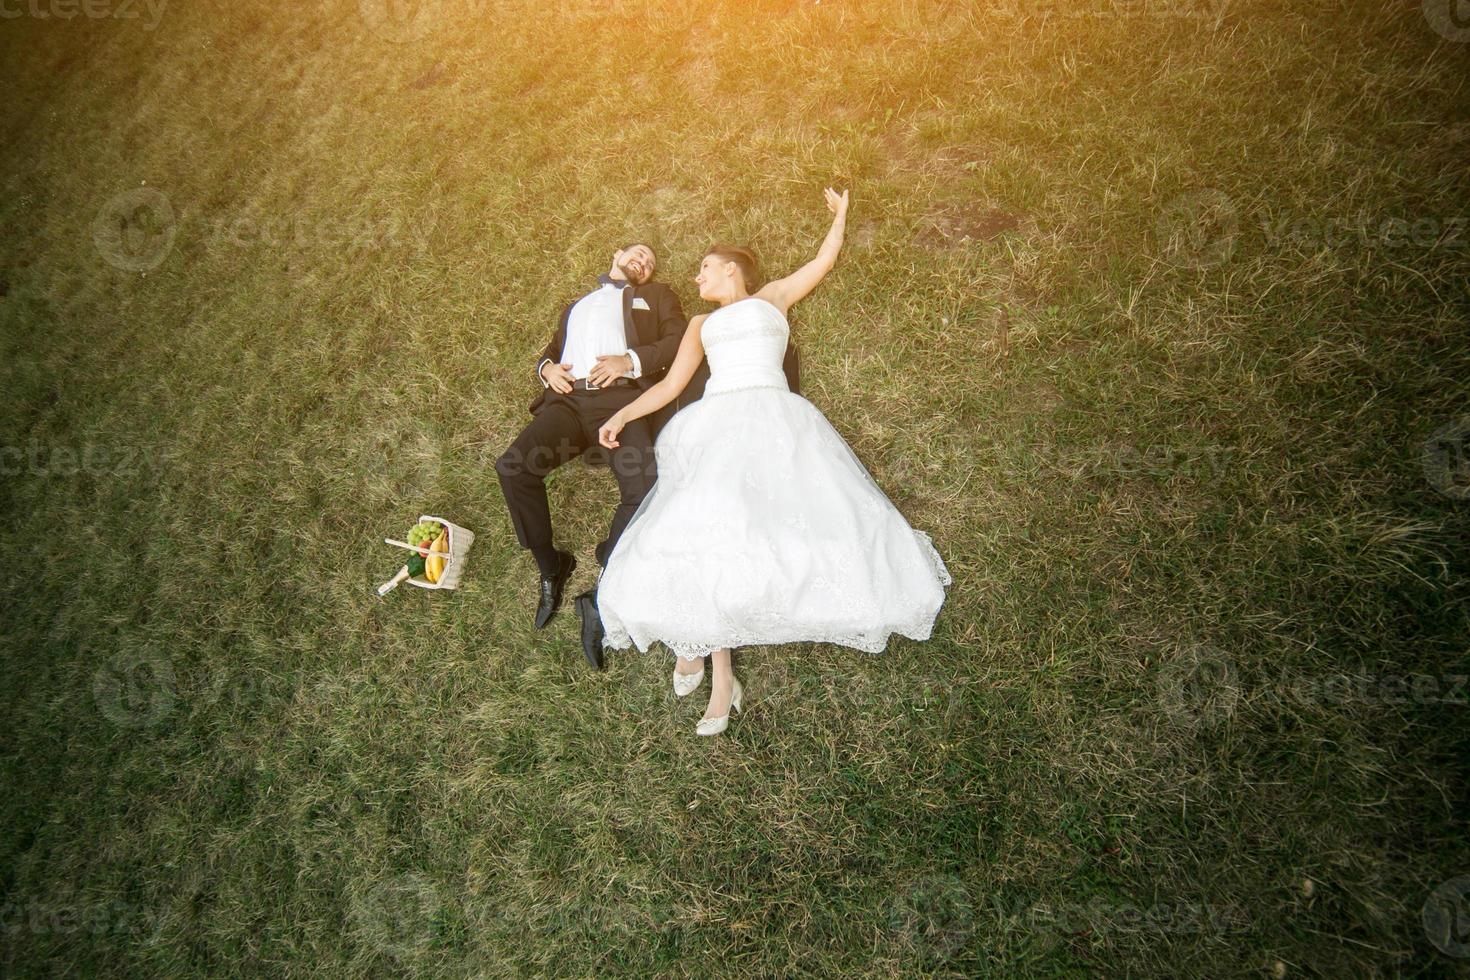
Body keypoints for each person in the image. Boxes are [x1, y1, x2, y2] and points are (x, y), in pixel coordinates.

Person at [594, 189, 952, 735]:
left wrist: (841, 218)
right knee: (708, 524)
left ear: (733, 270)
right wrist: (621, 417)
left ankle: (710, 666)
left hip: (775, 416)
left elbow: (823, 261)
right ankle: (712, 661)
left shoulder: (773, 297)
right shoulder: (697, 326)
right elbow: (670, 386)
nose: (698, 278)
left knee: (754, 526)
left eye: (705, 269)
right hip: (715, 423)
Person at [493, 244, 686, 666]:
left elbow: (677, 342)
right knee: (512, 468)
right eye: (638, 254)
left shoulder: (656, 296)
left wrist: (629, 360)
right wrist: (546, 369)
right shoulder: (575, 306)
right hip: (566, 405)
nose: (644, 262)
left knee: (647, 487)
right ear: (616, 254)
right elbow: (551, 349)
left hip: (618, 401)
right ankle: (551, 565)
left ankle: (600, 591)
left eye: (650, 263)